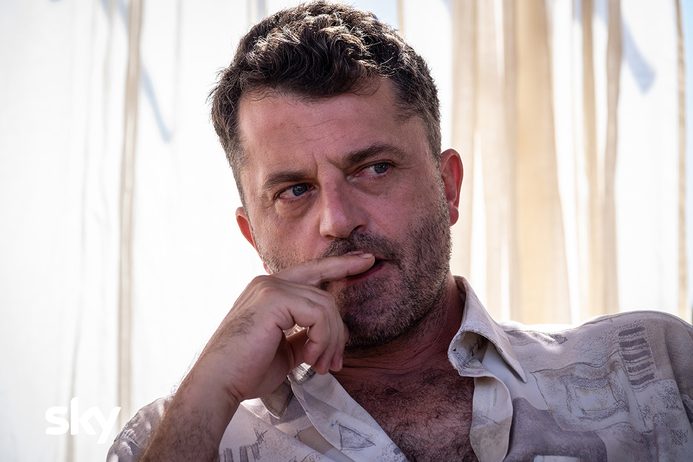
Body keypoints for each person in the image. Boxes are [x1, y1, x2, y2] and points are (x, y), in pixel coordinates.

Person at [108, 2, 693, 461]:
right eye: (295, 191)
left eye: (375, 169)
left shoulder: (660, 366)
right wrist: (210, 394)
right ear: (253, 237)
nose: (339, 220)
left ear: (449, 187)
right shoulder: (175, 435)